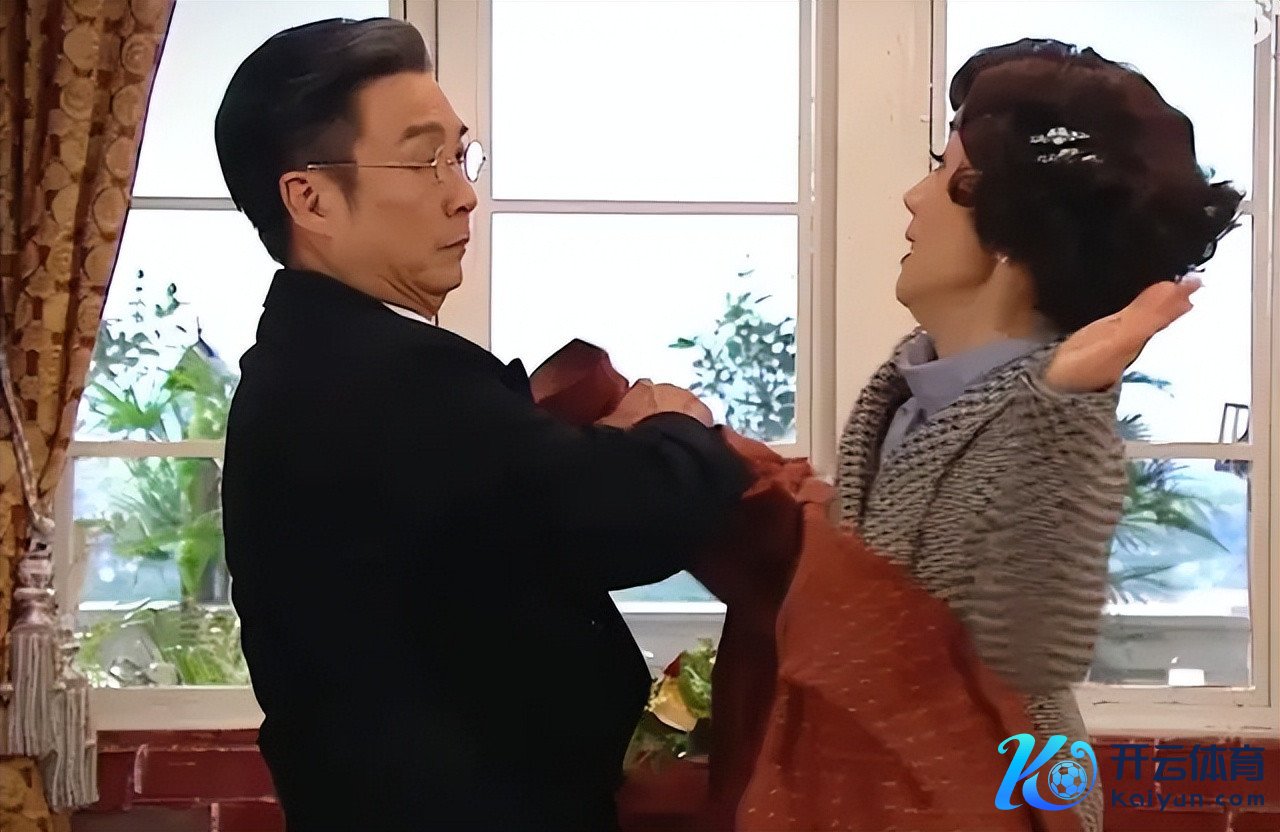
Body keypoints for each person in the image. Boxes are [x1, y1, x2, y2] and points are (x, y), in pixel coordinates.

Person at [214, 18, 750, 832]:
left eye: (459, 156)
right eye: (423, 160)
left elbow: (509, 508)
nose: (462, 193)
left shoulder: (312, 363)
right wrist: (674, 425)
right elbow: (631, 518)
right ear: (310, 198)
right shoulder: (382, 376)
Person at [741, 38, 1241, 832]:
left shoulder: (1052, 415)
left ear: (1009, 227)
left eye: (946, 174)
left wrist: (1066, 402)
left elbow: (1031, 651)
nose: (913, 199)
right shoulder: (911, 393)